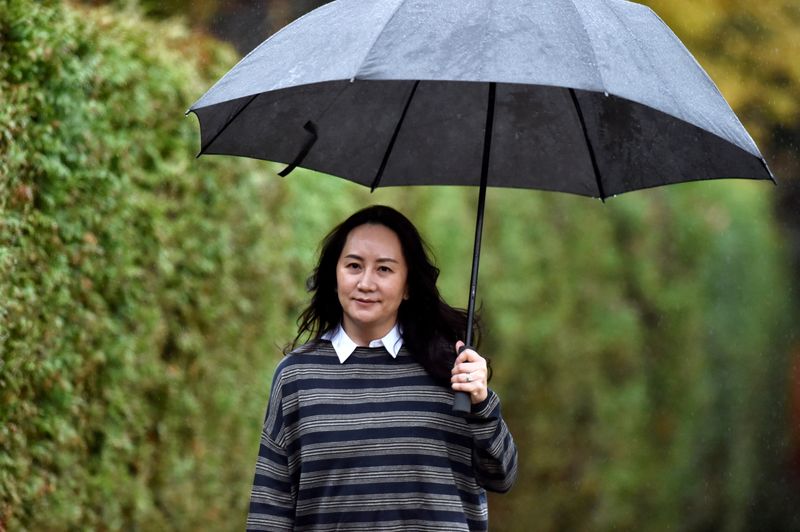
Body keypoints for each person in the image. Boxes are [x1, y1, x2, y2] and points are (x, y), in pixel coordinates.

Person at [246, 205, 517, 531]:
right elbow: (271, 504)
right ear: (334, 276)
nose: (365, 282)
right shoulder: (297, 377)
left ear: (408, 286)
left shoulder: (452, 371)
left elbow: (502, 475)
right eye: (354, 266)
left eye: (384, 270)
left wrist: (481, 404)